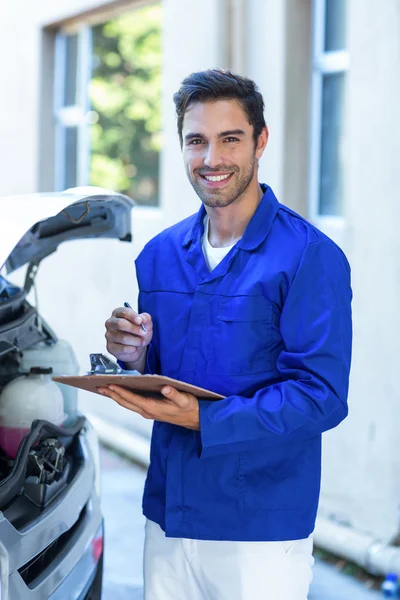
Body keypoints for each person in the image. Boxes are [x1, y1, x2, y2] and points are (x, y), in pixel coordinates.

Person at [101, 69, 352, 600]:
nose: (211, 159)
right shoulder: (160, 255)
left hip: (259, 533)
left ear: (260, 141)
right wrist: (135, 355)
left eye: (229, 138)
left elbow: (322, 397)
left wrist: (203, 418)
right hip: (169, 515)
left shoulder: (309, 257)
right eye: (197, 140)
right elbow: (165, 371)